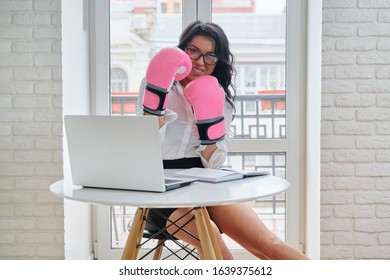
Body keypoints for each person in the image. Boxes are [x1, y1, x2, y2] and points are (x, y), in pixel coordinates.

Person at [137, 20, 308, 260]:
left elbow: (213, 164)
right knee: (213, 242)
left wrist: (208, 123)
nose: (200, 62)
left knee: (269, 244)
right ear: (182, 50)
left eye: (210, 56)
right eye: (194, 51)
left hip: (205, 185)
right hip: (161, 192)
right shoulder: (153, 85)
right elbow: (144, 145)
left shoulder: (220, 99)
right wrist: (157, 99)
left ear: (218, 62)